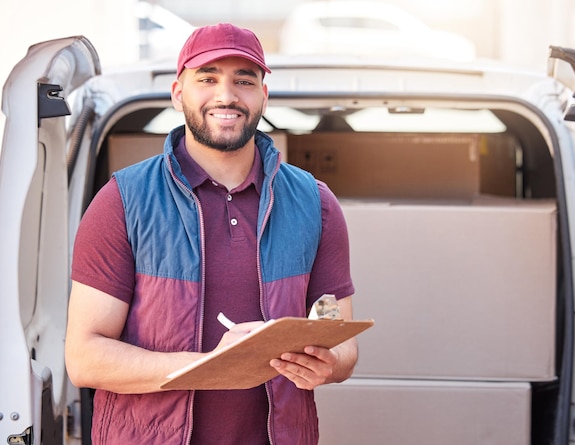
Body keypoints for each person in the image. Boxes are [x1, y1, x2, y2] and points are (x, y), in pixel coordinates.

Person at [64, 22, 357, 445]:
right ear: (178, 92)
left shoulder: (316, 203)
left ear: (263, 95)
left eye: (244, 80)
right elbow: (85, 358)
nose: (227, 95)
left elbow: (343, 342)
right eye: (208, 78)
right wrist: (212, 364)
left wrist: (328, 364)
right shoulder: (122, 201)